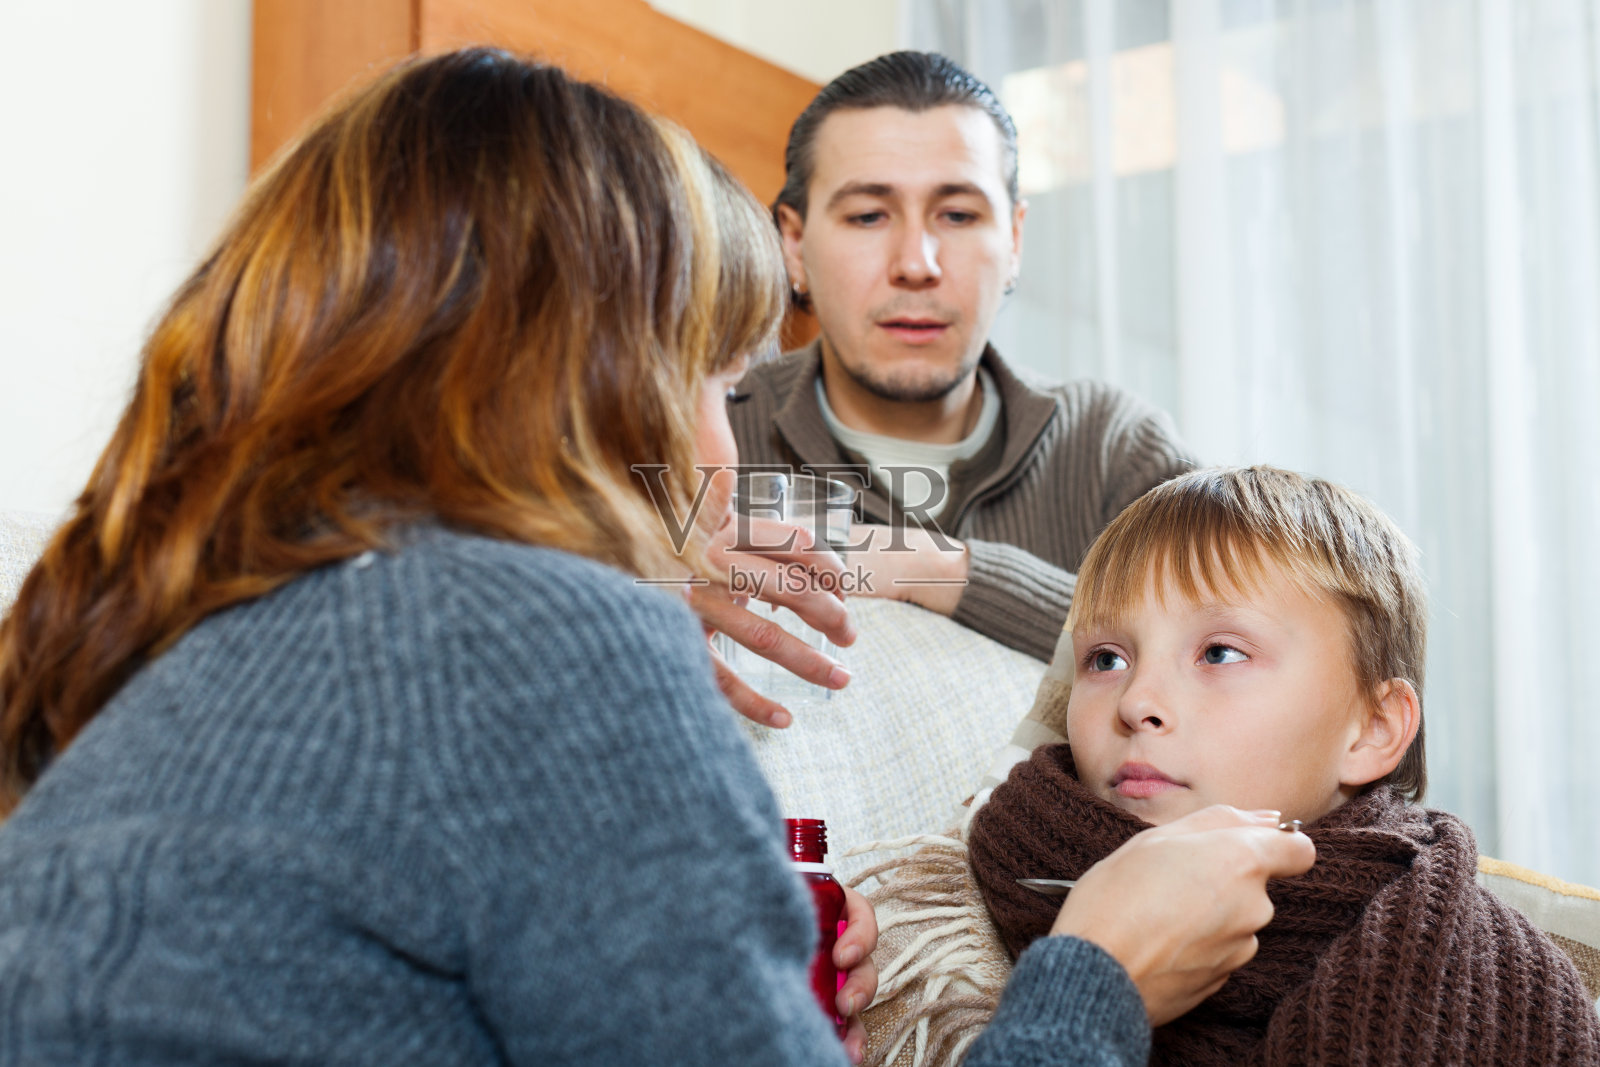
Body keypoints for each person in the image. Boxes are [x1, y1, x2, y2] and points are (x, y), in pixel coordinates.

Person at [0, 48, 1311, 1067]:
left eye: (958, 212)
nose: (720, 457)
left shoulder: (180, 649)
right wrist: (1100, 971)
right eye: (710, 383)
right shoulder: (539, 633)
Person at [965, 467, 1600, 1064]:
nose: (1136, 703)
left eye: (1220, 652)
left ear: (1373, 730)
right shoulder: (976, 886)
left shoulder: (1488, 979)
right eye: (1106, 659)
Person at [726, 51, 1196, 669]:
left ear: (1014, 239)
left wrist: (944, 571)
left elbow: (1227, 653)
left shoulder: (1113, 449)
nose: (916, 263)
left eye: (957, 215)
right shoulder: (706, 431)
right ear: (793, 243)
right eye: (868, 216)